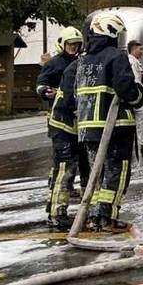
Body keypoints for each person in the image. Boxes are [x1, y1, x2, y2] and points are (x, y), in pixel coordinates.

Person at [68, 11, 143, 232]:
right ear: (110, 33)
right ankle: (107, 218)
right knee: (117, 173)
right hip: (115, 127)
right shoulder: (115, 56)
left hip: (88, 130)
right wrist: (140, 98)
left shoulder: (83, 61)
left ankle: (94, 217)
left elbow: (76, 94)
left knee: (97, 175)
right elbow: (126, 89)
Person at [37, 26, 88, 230]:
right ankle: (57, 212)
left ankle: (88, 209)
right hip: (62, 122)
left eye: (77, 44)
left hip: (81, 123)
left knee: (85, 166)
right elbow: (41, 83)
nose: (74, 47)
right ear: (62, 44)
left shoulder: (83, 62)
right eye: (70, 44)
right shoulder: (55, 64)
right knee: (65, 168)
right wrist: (45, 91)